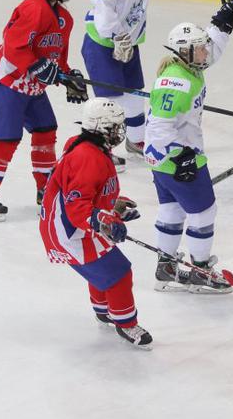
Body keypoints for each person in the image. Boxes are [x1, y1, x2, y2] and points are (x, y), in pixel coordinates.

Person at [82, 0, 216, 172]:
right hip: (102, 45)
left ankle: (135, 141)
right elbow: (104, 16)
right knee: (108, 102)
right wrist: (118, 38)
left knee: (134, 94)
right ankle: (101, 151)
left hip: (129, 42)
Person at [0, 0, 88, 221]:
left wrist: (68, 77)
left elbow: (55, 57)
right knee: (6, 139)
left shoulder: (64, 18)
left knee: (46, 129)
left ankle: (46, 189)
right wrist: (40, 68)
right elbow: (14, 47)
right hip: (6, 82)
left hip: (30, 85)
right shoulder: (34, 8)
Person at [144, 0, 233, 293]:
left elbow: (210, 51)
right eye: (200, 48)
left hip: (161, 161)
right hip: (177, 157)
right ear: (186, 51)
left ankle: (165, 266)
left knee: (172, 209)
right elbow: (159, 126)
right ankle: (200, 269)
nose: (205, 52)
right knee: (204, 211)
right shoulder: (177, 82)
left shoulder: (187, 66)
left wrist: (222, 24)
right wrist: (181, 156)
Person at [39, 97, 151, 349]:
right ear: (102, 127)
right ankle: (126, 323)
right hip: (69, 231)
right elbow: (77, 206)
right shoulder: (87, 158)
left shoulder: (89, 146)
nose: (120, 131)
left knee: (104, 268)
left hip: (74, 225)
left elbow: (87, 192)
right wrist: (103, 220)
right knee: (119, 273)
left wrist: (113, 207)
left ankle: (104, 310)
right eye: (115, 126)